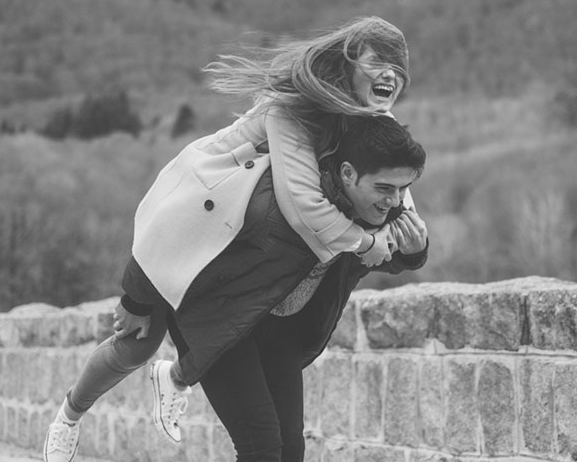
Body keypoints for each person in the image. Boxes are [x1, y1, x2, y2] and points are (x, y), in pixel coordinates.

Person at [43, 16, 421, 462]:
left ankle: (177, 376)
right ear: (351, 60)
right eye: (381, 63)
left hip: (247, 259)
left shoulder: (371, 123)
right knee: (137, 341)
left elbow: (395, 198)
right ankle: (69, 416)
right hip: (200, 219)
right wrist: (136, 292)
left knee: (276, 443)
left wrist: (411, 246)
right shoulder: (295, 105)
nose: (391, 75)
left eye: (400, 68)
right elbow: (303, 205)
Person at [151, 113, 428, 462]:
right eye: (385, 189)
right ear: (347, 174)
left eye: (403, 189)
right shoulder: (289, 202)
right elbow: (178, 232)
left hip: (280, 329)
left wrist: (415, 253)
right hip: (221, 319)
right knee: (262, 448)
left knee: (290, 450)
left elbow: (382, 256)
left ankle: (178, 372)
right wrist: (138, 302)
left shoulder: (375, 211)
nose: (394, 201)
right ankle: (178, 373)